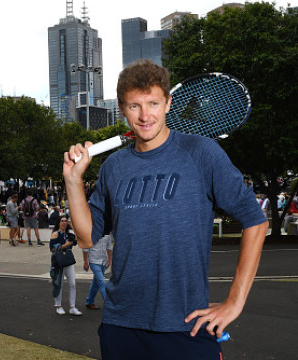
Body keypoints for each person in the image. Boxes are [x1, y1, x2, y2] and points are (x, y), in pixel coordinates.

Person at [63, 60, 268, 358]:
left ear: (169, 103)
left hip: (185, 325)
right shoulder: (113, 167)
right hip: (121, 325)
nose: (145, 115)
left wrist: (234, 302)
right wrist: (73, 180)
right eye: (135, 106)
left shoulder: (201, 153)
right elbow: (86, 238)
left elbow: (255, 221)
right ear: (122, 108)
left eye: (153, 103)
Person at [49, 215, 81, 316]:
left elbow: (78, 239)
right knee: (59, 284)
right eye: (62, 221)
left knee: (73, 284)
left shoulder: (69, 234)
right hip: (59, 262)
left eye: (66, 221)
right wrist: (65, 246)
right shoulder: (55, 234)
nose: (64, 223)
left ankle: (72, 307)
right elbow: (52, 249)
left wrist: (73, 226)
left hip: (68, 261)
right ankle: (58, 306)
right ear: (58, 222)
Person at [82, 233, 113, 310]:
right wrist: (85, 262)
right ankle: (109, 305)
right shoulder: (91, 233)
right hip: (94, 261)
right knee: (102, 282)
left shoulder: (107, 235)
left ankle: (89, 301)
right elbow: (85, 248)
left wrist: (109, 259)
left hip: (103, 261)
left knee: (96, 283)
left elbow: (109, 247)